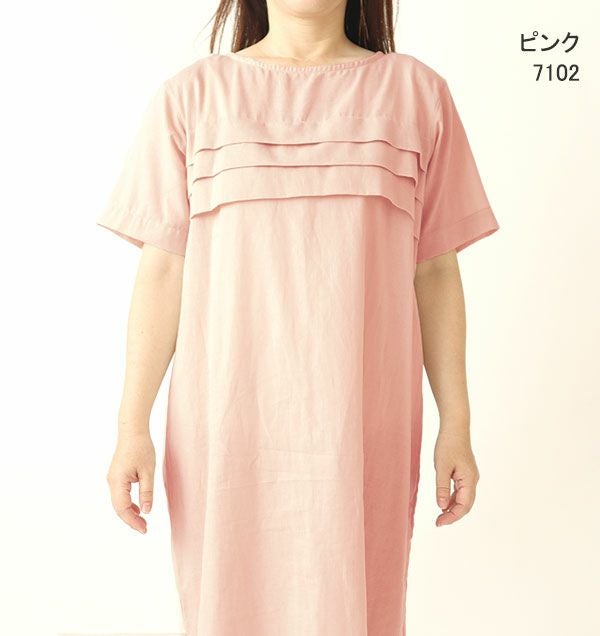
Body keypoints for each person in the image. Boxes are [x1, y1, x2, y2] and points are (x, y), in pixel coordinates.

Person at [97, 1, 500, 634]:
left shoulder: (417, 94)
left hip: (363, 425)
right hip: (226, 425)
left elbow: (435, 272)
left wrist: (458, 424)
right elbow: (163, 272)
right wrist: (131, 427)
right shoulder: (192, 97)